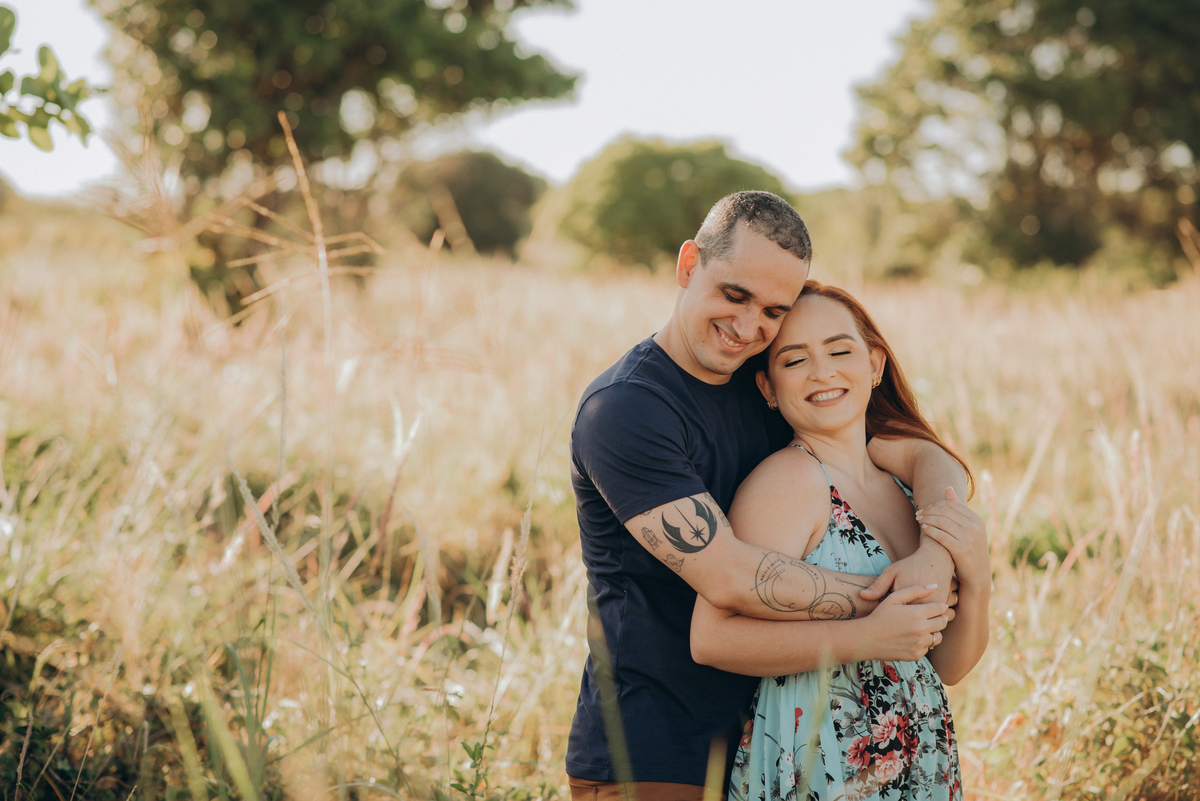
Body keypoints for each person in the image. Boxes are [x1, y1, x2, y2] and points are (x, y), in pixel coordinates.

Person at [567, 191, 969, 801]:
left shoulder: (767, 383)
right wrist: (898, 605)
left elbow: (917, 451)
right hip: (652, 748)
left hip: (765, 738)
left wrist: (935, 557)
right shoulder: (627, 410)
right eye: (734, 295)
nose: (749, 326)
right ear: (687, 266)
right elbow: (728, 575)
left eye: (774, 310)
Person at [691, 280, 991, 800]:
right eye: (794, 360)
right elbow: (712, 638)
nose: (823, 371)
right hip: (822, 766)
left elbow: (947, 666)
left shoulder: (902, 487)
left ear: (874, 366)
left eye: (839, 350)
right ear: (767, 387)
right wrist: (868, 636)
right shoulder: (790, 482)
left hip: (918, 766)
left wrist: (978, 582)